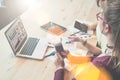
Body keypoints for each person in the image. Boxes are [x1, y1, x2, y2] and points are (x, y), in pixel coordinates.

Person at [54, 0, 120, 80]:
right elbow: (97, 58)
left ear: (106, 28)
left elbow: (97, 62)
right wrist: (70, 57)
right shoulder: (114, 50)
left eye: (100, 17)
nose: (98, 20)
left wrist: (59, 69)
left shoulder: (99, 65)